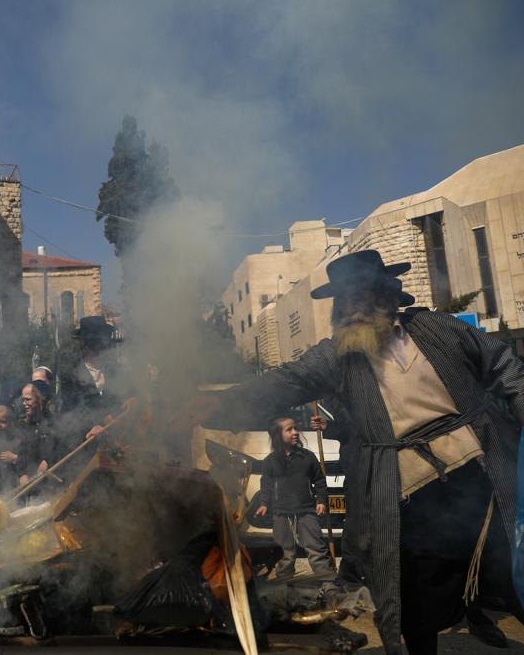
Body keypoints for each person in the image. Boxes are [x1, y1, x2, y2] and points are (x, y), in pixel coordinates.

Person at [192, 250, 524, 655]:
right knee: (416, 593)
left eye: (359, 296)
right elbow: (282, 383)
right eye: (343, 300)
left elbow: (504, 365)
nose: (350, 307)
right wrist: (207, 408)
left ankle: (486, 614)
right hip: (407, 489)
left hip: (484, 469)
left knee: (512, 564)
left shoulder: (439, 327)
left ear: (384, 295)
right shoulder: (337, 357)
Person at [254, 416, 333, 581]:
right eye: (289, 430)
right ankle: (285, 585)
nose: (295, 432)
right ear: (277, 435)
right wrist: (263, 504)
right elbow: (266, 485)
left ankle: (328, 584)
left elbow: (319, 481)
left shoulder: (308, 457)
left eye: (295, 428)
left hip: (306, 511)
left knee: (316, 549)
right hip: (281, 513)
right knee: (285, 553)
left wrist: (321, 501)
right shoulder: (270, 461)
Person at [61, 316, 126, 440]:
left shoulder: (115, 371)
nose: (107, 348)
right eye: (101, 344)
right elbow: (69, 416)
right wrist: (92, 426)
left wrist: (131, 399)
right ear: (87, 347)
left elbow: (126, 395)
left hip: (118, 439)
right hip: (88, 447)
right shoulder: (71, 378)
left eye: (106, 344)